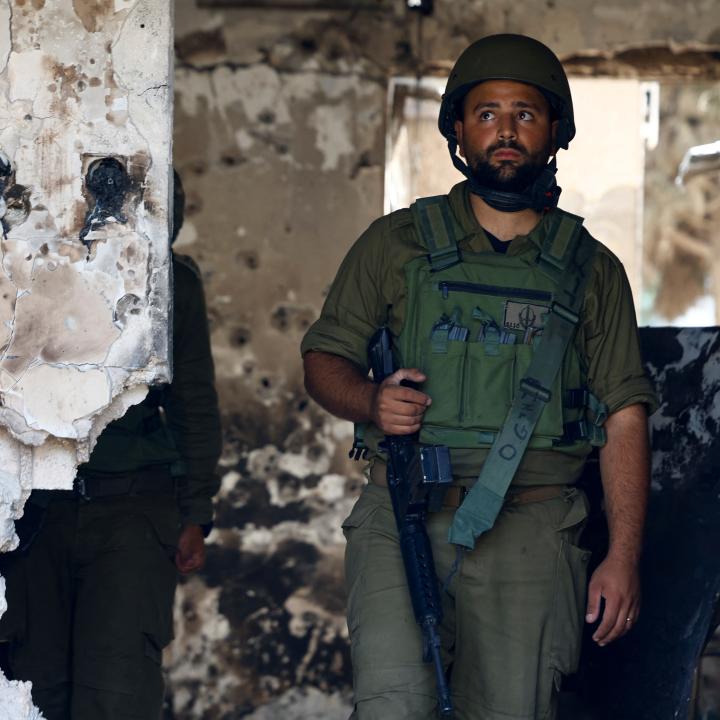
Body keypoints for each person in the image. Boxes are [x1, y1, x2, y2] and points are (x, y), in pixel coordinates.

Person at [301, 34, 657, 720]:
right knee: (393, 707)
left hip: (532, 530)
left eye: (525, 114)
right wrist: (371, 400)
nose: (505, 131)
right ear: (459, 129)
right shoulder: (394, 243)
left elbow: (624, 416)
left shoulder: (594, 269)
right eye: (486, 113)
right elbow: (324, 359)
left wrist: (623, 555)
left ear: (555, 130)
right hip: (402, 512)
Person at [0, 170, 222, 720]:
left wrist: (196, 509)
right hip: (32, 513)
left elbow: (193, 401)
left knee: (117, 694)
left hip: (131, 508)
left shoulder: (167, 281)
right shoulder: (16, 269)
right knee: (32, 691)